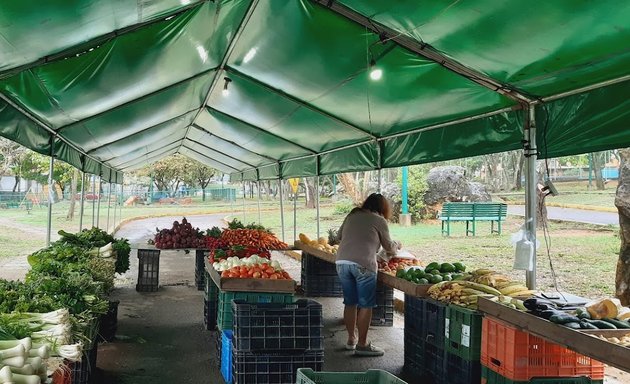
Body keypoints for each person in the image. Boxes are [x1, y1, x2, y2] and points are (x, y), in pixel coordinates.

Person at [335, 193, 401, 356]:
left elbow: (338, 237)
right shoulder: (379, 220)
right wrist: (397, 244)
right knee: (365, 305)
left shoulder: (352, 215)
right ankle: (362, 345)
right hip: (364, 265)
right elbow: (389, 248)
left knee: (350, 303)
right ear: (383, 208)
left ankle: (351, 339)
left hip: (342, 263)